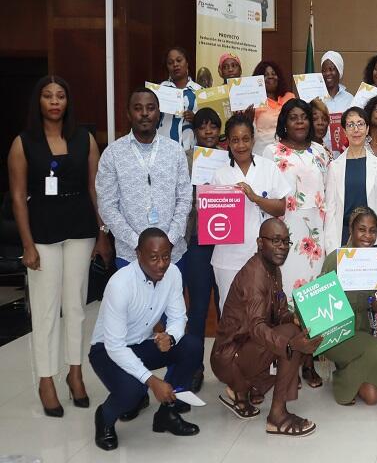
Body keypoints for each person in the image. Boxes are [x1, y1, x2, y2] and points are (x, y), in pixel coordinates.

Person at [8, 75, 110, 416]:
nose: (54, 102)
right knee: (46, 310)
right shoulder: (23, 143)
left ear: (68, 102)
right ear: (38, 101)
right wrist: (27, 244)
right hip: (41, 233)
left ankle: (75, 373)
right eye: (48, 96)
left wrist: (101, 233)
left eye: (60, 96)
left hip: (80, 227)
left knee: (77, 307)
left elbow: (96, 190)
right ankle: (46, 379)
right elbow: (19, 198)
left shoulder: (85, 139)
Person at [89, 228, 202, 451]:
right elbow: (115, 346)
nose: (161, 264)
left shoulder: (173, 274)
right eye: (153, 257)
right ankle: (105, 416)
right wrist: (151, 381)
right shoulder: (120, 284)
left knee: (191, 346)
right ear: (138, 254)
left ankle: (166, 415)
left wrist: (170, 336)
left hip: (142, 342)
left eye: (166, 256)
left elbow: (178, 317)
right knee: (132, 391)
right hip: (107, 351)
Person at [211, 219, 322, 436]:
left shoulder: (272, 269)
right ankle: (277, 417)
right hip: (229, 357)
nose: (282, 247)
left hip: (242, 348)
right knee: (291, 338)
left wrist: (297, 319)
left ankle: (242, 389)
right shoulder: (255, 275)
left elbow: (279, 313)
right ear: (260, 243)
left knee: (294, 328)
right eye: (275, 241)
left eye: (286, 242)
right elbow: (256, 327)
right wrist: (290, 345)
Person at [97, 87, 191, 270]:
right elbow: (107, 206)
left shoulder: (175, 151)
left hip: (173, 254)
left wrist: (169, 241)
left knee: (172, 299)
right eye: (138, 108)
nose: (145, 113)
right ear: (129, 114)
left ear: (159, 113)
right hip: (130, 255)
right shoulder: (112, 154)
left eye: (150, 108)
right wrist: (138, 243)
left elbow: (185, 199)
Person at [210, 113, 290, 307]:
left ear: (253, 140)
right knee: (230, 311)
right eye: (235, 140)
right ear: (228, 143)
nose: (241, 145)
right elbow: (212, 220)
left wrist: (255, 198)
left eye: (246, 139)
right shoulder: (220, 175)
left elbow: (281, 207)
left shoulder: (268, 168)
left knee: (262, 310)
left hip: (263, 254)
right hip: (228, 256)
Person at [318, 207, 377, 405]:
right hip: (335, 333)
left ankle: (342, 375)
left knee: (372, 397)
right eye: (362, 229)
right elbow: (319, 304)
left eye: (372, 230)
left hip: (360, 332)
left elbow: (376, 308)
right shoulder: (335, 260)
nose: (368, 236)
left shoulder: (374, 262)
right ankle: (344, 382)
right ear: (351, 230)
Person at [266, 99, 332, 299]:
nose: (300, 122)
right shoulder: (271, 153)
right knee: (287, 289)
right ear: (284, 122)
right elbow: (268, 198)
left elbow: (330, 191)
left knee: (316, 290)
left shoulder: (321, 152)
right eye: (293, 118)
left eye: (304, 117)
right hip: (286, 235)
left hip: (318, 234)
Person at [181, 108, 223, 391]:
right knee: (196, 308)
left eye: (212, 126)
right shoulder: (184, 159)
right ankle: (194, 367)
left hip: (225, 242)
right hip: (197, 241)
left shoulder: (228, 159)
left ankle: (226, 363)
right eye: (202, 126)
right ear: (194, 130)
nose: (208, 131)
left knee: (226, 307)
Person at [323, 107, 377, 250]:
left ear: (367, 129)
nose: (356, 129)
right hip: (343, 238)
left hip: (372, 239)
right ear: (344, 131)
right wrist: (330, 248)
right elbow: (331, 210)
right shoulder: (334, 167)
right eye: (350, 125)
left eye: (360, 124)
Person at [155, 47, 201, 150]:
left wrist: (196, 118)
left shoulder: (200, 91)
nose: (175, 65)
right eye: (170, 63)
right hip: (163, 149)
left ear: (187, 63)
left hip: (190, 150)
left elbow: (208, 123)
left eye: (179, 60)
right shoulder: (159, 90)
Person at [252, 60, 295, 155]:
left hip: (288, 152)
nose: (270, 76)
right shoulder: (254, 102)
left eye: (273, 73)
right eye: (265, 75)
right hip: (262, 153)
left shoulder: (290, 97)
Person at [319, 50, 352, 158]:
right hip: (319, 154)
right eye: (324, 70)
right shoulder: (315, 99)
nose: (328, 73)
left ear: (339, 71)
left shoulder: (350, 99)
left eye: (332, 69)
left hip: (344, 155)